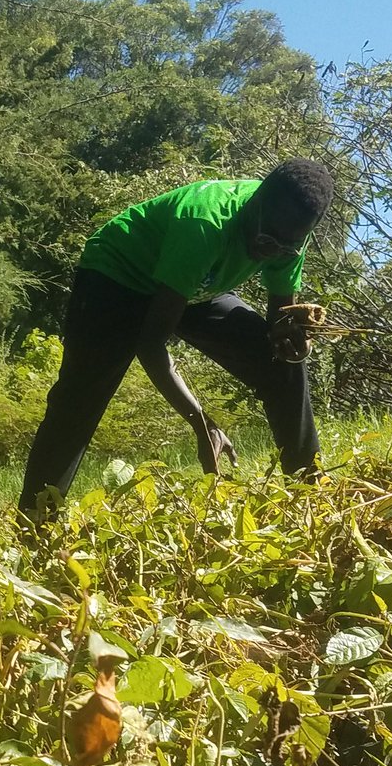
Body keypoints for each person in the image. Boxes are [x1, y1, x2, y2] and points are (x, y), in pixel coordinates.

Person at [19, 159, 334, 514]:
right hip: (118, 276)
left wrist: (292, 342)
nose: (272, 252)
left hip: (196, 285)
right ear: (256, 202)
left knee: (280, 365)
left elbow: (280, 320)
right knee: (79, 402)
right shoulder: (204, 223)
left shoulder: (289, 234)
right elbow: (150, 343)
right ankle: (35, 526)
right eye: (266, 240)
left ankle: (311, 497)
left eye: (286, 247)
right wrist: (203, 425)